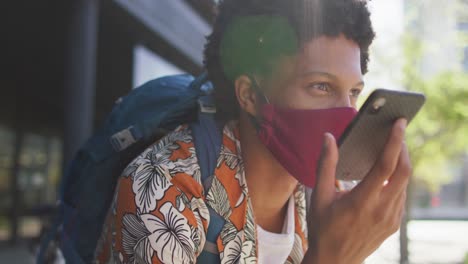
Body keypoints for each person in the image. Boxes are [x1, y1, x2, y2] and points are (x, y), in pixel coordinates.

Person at [95, 0, 411, 263]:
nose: (346, 114)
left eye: (354, 92)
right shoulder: (163, 187)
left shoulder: (333, 192)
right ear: (249, 95)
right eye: (321, 86)